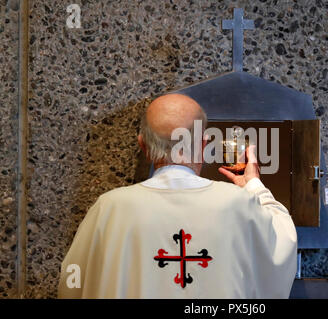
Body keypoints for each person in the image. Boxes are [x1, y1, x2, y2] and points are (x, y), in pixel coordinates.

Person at [58, 93, 297, 298]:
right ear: (203, 144)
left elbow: (72, 280)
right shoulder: (236, 202)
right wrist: (254, 185)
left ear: (143, 146)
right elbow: (281, 248)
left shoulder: (109, 208)